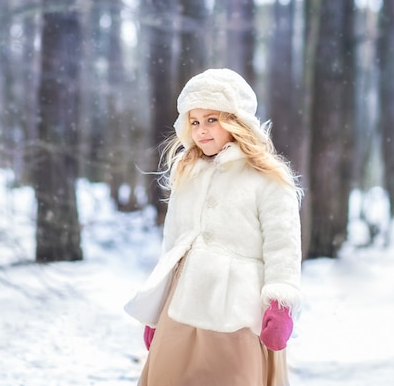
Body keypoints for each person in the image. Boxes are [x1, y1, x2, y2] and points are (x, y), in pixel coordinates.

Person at [125, 68, 303, 386]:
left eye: (212, 120)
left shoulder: (268, 177)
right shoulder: (187, 172)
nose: (202, 131)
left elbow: (282, 245)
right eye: (195, 121)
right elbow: (173, 245)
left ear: (236, 121)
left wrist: (280, 304)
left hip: (239, 314)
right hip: (180, 308)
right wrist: (156, 308)